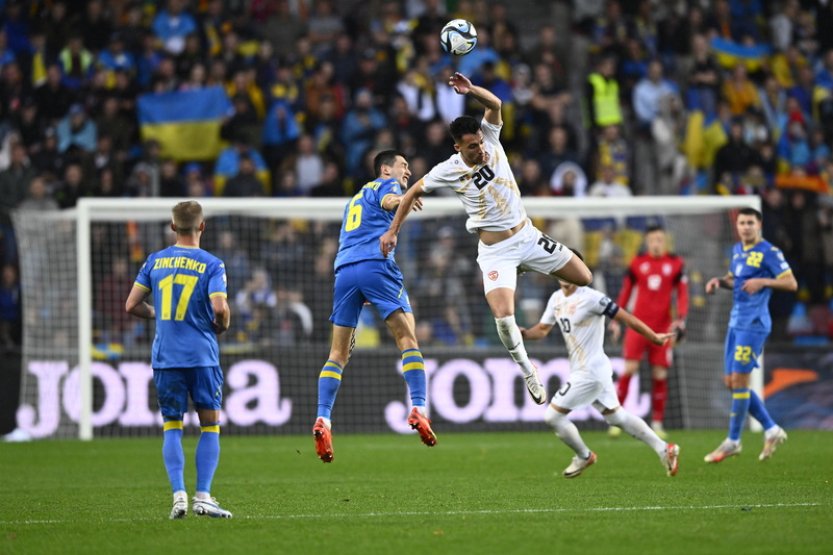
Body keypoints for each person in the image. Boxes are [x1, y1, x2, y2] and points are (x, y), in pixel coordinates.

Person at [380, 72, 592, 406]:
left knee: (585, 276)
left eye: (479, 142)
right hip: (496, 252)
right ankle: (527, 369)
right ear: (457, 147)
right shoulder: (446, 170)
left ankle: (525, 268)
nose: (479, 150)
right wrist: (392, 231)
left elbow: (495, 104)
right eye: (472, 147)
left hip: (527, 236)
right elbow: (412, 193)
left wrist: (471, 90)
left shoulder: (491, 138)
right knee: (505, 318)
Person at [313, 150, 436, 463]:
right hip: (375, 265)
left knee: (337, 354)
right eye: (403, 165)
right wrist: (405, 198)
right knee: (407, 338)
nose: (407, 170)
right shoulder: (385, 185)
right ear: (385, 168)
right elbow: (391, 201)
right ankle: (420, 408)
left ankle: (323, 419)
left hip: (344, 272)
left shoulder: (353, 199)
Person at [125, 201, 233, 519]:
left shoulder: (155, 261)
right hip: (202, 357)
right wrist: (223, 326)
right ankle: (203, 496)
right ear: (202, 226)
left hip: (166, 357)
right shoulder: (212, 264)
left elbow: (131, 304)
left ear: (173, 227)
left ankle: (178, 496)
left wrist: (156, 313)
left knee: (172, 425)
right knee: (209, 426)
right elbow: (219, 308)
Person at [521, 267, 680, 479]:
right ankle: (664, 449)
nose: (565, 276)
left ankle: (584, 455)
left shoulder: (592, 298)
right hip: (585, 369)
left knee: (553, 417)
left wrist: (653, 337)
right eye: (561, 271)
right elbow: (541, 330)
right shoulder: (556, 298)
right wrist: (520, 333)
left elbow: (626, 317)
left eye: (570, 271)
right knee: (617, 417)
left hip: (591, 371)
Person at [703, 207, 796, 463]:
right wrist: (719, 282)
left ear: (759, 225)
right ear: (737, 226)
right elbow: (737, 279)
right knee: (731, 382)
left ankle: (733, 441)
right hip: (736, 322)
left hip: (754, 323)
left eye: (750, 223)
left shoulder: (770, 252)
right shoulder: (737, 250)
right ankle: (772, 429)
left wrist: (764, 282)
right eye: (742, 223)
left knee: (740, 380)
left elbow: (791, 283)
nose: (745, 227)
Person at [608, 225, 688, 439]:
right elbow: (626, 292)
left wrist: (680, 319)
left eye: (660, 239)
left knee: (660, 373)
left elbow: (682, 293)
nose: (656, 243)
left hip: (663, 328)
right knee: (629, 369)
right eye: (653, 239)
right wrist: (616, 319)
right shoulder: (636, 264)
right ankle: (616, 420)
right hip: (637, 326)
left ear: (665, 241)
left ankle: (658, 423)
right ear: (647, 241)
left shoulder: (676, 264)